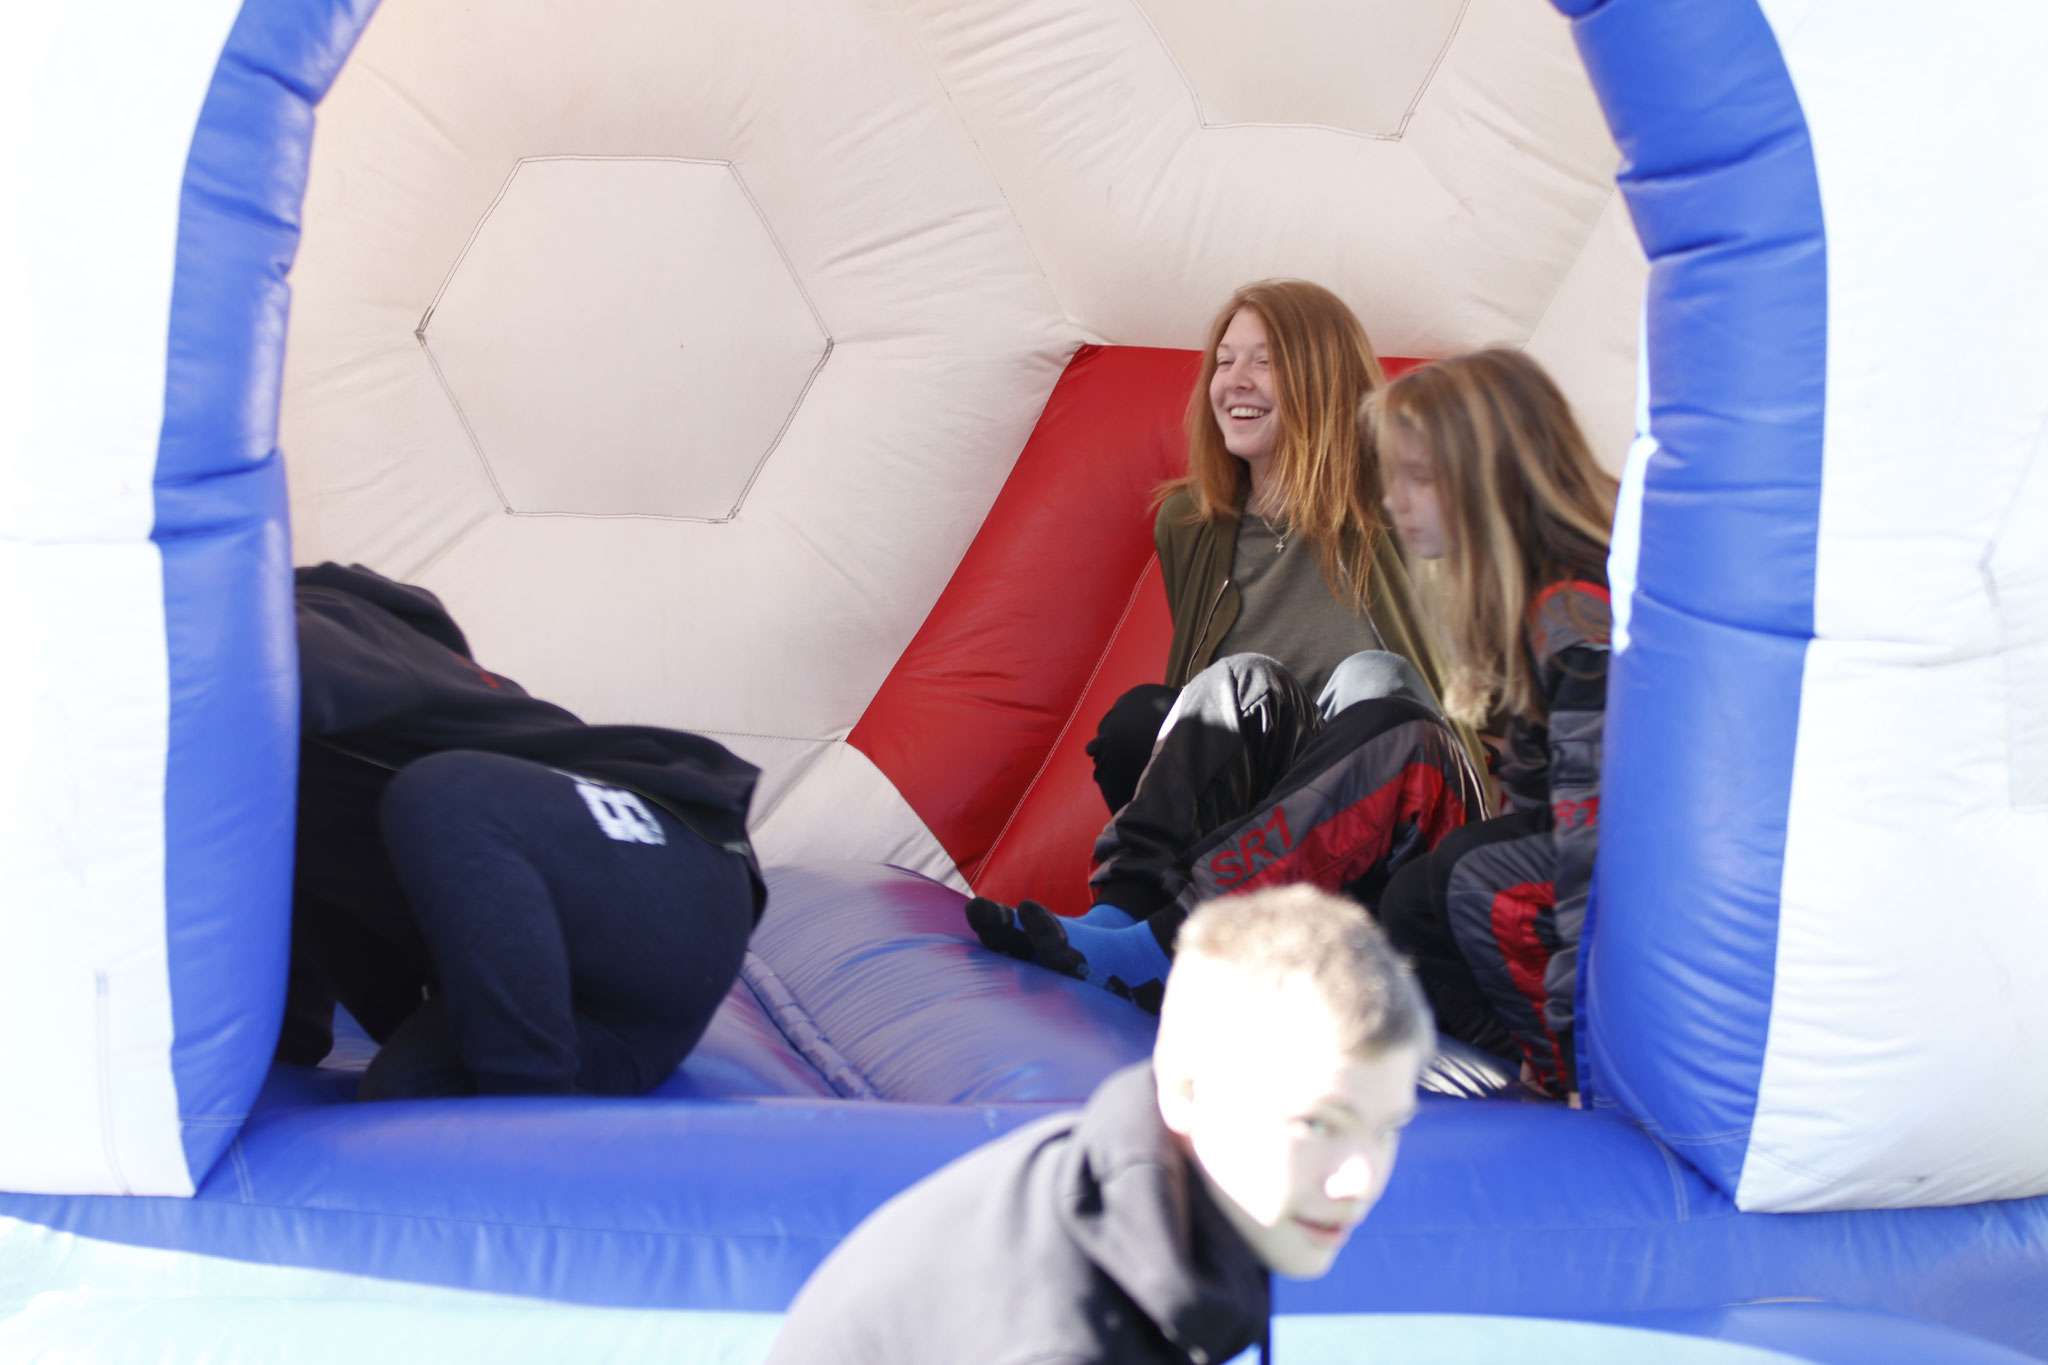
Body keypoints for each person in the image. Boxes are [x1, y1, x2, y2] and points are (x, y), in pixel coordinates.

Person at [967, 282, 1485, 1002]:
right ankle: (1124, 921)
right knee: (1187, 702)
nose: (1233, 382)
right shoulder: (1191, 524)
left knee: (1375, 678)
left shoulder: (1407, 506)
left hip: (1405, 821)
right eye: (1224, 360)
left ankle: (1168, 947)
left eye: (1264, 362)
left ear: (1321, 378)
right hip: (1272, 837)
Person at [766, 886, 1432, 1365]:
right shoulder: (1060, 1329)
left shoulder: (1148, 1188)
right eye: (1318, 1124)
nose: (1362, 1178)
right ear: (1189, 1092)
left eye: (1388, 1128)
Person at [279, 562, 766, 1100]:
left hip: (670, 877)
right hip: (597, 1009)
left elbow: (271, 665)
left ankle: (528, 1117)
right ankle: (527, 1096)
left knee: (449, 791)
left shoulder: (328, 615)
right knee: (405, 1114)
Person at [1365, 349, 1617, 1101]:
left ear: (1492, 478)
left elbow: (1588, 841)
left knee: (1479, 874)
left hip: (1618, 870)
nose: (1394, 501)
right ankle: (1506, 1068)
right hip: (1578, 854)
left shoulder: (1574, 611)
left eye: (1420, 478)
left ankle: (1572, 1078)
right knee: (1416, 898)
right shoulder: (1527, 599)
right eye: (1392, 477)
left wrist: (1569, 1044)